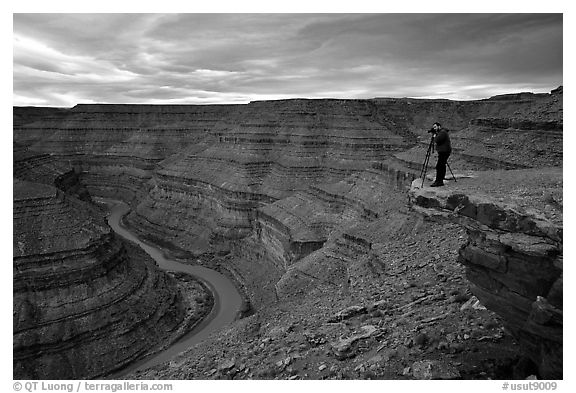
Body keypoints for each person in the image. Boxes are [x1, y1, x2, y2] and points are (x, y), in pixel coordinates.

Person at [430, 122, 451, 187]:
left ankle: (439, 181)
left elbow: (437, 140)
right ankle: (440, 180)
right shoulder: (441, 132)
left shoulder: (442, 132)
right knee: (441, 165)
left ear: (439, 126)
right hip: (443, 151)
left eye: (435, 127)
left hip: (444, 151)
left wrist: (434, 135)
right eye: (433, 127)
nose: (434, 128)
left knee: (439, 166)